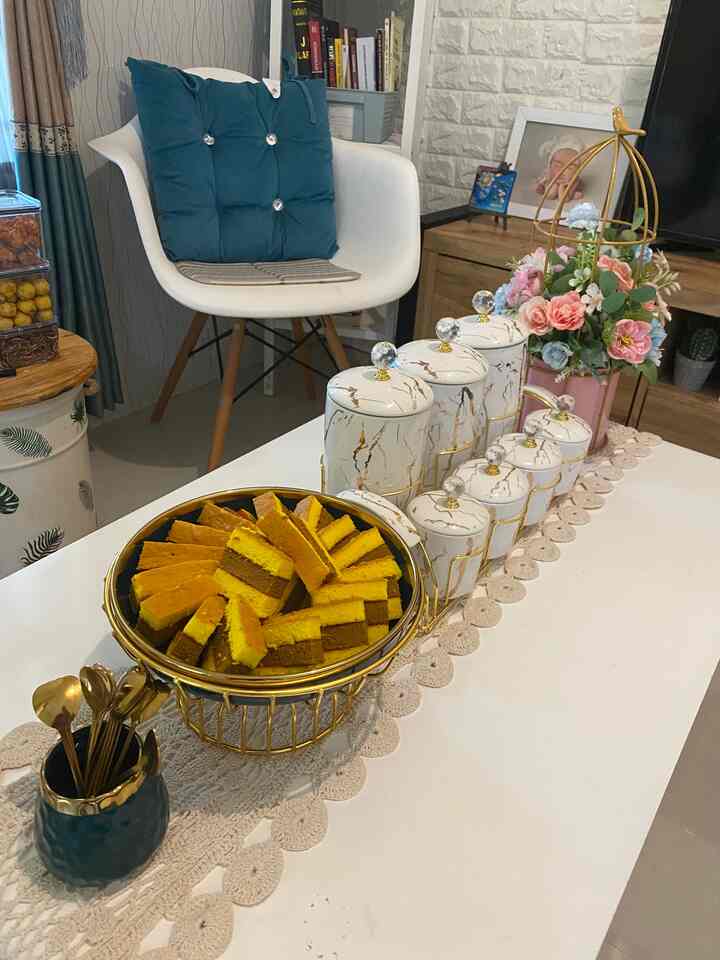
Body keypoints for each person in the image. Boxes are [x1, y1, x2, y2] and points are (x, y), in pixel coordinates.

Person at [535, 134, 586, 201]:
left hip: (567, 188)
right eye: (557, 166)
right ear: (550, 165)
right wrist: (542, 186)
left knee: (576, 193)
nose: (562, 170)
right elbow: (549, 195)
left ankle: (573, 193)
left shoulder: (574, 180)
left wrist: (561, 187)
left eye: (570, 168)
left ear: (577, 171)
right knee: (546, 188)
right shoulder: (549, 175)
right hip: (549, 183)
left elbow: (564, 199)